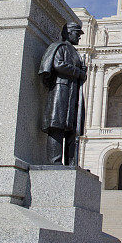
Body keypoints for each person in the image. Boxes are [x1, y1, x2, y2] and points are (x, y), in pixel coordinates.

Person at [38, 23, 87, 165]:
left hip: (73, 92)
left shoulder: (74, 52)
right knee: (57, 126)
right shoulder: (60, 47)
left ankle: (72, 162)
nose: (78, 37)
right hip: (61, 90)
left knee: (73, 128)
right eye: (77, 34)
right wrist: (79, 72)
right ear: (69, 33)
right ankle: (55, 162)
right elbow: (58, 64)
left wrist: (82, 73)